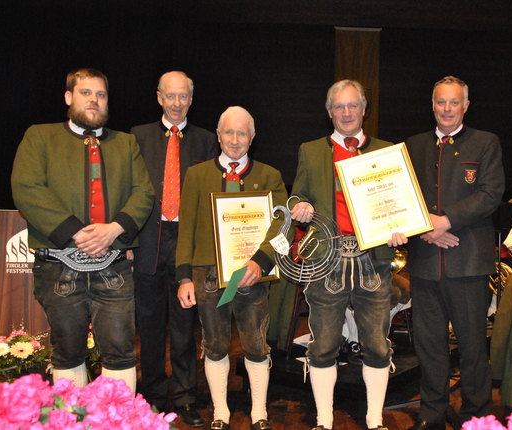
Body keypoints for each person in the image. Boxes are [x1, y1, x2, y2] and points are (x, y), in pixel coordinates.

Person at [11, 68, 154, 391]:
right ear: (68, 97)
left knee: (120, 353)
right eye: (86, 93)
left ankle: (118, 423)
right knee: (67, 352)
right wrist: (78, 233)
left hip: (114, 266)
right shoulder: (39, 136)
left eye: (100, 95)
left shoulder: (126, 143)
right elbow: (27, 188)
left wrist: (113, 230)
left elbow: (143, 193)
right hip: (57, 265)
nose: (94, 100)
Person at [290, 79, 398, 430]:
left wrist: (400, 228)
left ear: (365, 109)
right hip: (327, 260)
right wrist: (300, 205)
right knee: (323, 344)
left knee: (378, 346)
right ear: (329, 112)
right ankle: (323, 420)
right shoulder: (311, 150)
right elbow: (295, 197)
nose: (347, 112)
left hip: (373, 259)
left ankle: (375, 419)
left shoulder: (386, 151)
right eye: (339, 106)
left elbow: (399, 205)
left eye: (353, 106)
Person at [176, 106, 287, 430]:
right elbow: (186, 229)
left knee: (255, 344)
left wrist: (262, 261)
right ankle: (220, 412)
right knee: (214, 343)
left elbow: (284, 227)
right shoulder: (196, 176)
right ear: (218, 135)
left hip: (252, 276)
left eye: (242, 133)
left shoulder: (270, 176)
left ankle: (259, 412)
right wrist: (184, 277)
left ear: (252, 138)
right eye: (229, 132)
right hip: (207, 277)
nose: (235, 140)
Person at [404, 76, 505, 430]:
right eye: (440, 102)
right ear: (432, 105)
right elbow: (403, 197)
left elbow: (491, 194)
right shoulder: (413, 146)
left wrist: (444, 222)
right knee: (429, 345)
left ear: (465, 105)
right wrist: (427, 231)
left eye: (454, 102)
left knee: (473, 345)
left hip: (468, 262)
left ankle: (477, 415)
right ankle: (432, 412)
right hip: (425, 261)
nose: (447, 109)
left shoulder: (485, 143)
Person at [131, 71, 217, 425]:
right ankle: (151, 397)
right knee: (149, 327)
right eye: (171, 96)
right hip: (148, 242)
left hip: (187, 245)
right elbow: (127, 191)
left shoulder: (207, 141)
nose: (177, 103)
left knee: (184, 328)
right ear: (159, 98)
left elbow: (212, 199)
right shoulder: (137, 137)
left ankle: (184, 398)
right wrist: (128, 241)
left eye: (184, 96)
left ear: (191, 99)